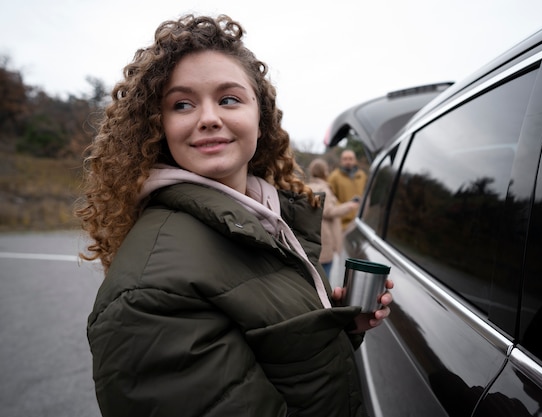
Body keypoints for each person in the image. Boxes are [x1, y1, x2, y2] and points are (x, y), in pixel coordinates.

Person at [74, 14, 393, 417]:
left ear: (260, 119)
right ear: (158, 127)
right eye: (182, 104)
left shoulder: (266, 220)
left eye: (229, 99)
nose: (208, 117)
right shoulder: (146, 293)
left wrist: (337, 325)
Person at [306, 158, 360, 278]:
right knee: (325, 277)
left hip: (312, 236)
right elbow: (328, 211)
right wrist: (349, 206)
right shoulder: (324, 189)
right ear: (324, 172)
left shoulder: (307, 187)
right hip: (325, 237)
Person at [327, 149, 368, 230]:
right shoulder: (334, 177)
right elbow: (330, 199)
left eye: (350, 159)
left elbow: (366, 195)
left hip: (360, 222)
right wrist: (346, 209)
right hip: (342, 224)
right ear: (341, 161)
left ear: (355, 160)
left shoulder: (362, 175)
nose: (348, 161)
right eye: (345, 159)